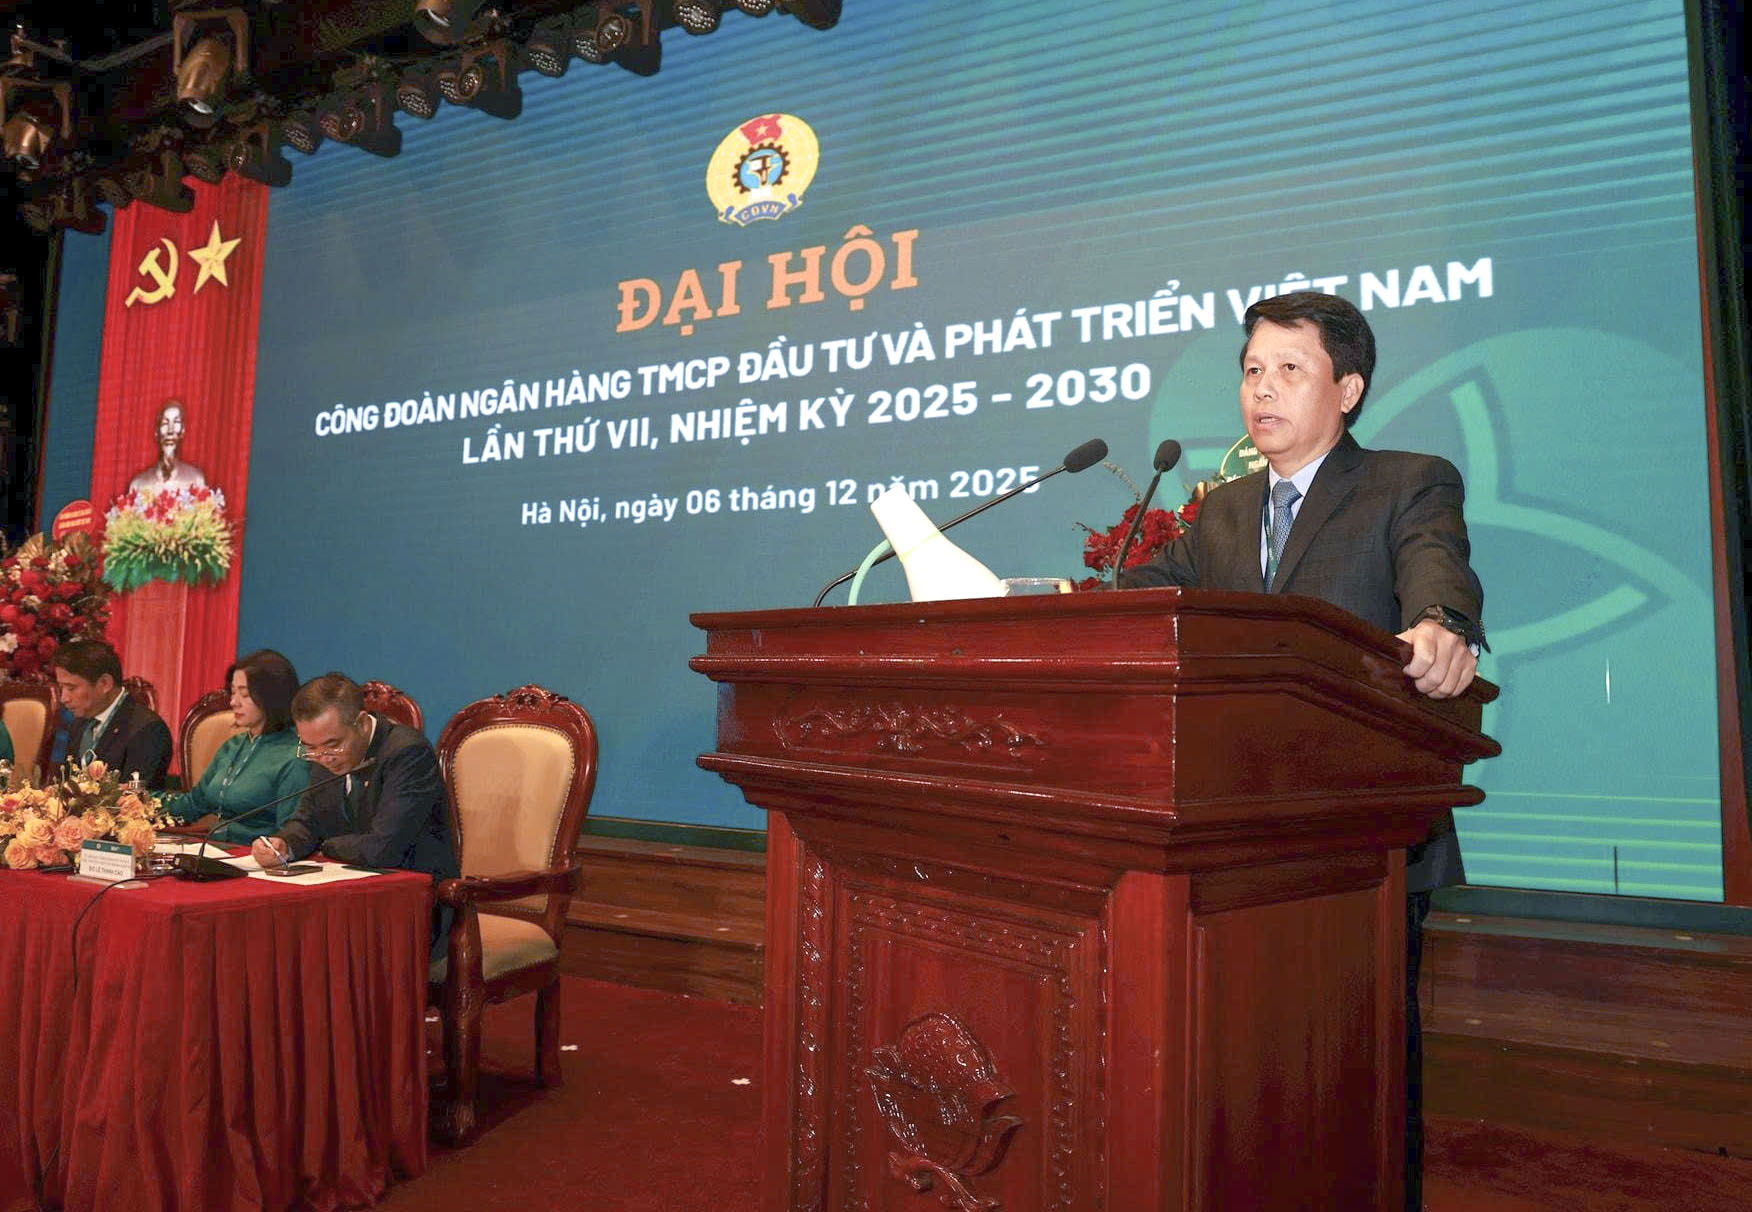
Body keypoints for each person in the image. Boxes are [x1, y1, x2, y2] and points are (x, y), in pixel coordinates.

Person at [1123, 289, 1486, 1212]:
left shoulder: (1408, 481)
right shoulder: (1219, 512)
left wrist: (1441, 624)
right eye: (1253, 370)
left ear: (1348, 389)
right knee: (1247, 1073)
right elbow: (1142, 602)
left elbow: (1436, 566)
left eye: (1290, 369)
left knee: (1360, 1069)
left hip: (1361, 836)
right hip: (1235, 840)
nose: (1263, 389)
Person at [251, 673, 457, 954]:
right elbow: (308, 819)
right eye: (311, 748)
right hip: (350, 901)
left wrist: (325, 846)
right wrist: (284, 845)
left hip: (413, 912)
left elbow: (383, 849)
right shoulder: (325, 752)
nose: (324, 757)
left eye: (332, 744)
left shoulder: (407, 754)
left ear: (360, 722)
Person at [161, 650, 309, 844]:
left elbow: (289, 834)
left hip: (254, 853)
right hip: (213, 847)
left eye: (245, 694)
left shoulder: (294, 757)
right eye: (233, 692)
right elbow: (193, 804)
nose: (233, 702)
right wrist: (139, 800)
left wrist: (223, 832)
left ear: (272, 697)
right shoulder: (233, 745)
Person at [51, 638, 173, 789]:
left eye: (71, 688)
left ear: (105, 683)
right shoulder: (78, 721)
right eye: (61, 688)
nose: (64, 698)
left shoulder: (148, 730)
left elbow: (135, 797)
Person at [127, 400, 207, 496]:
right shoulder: (139, 484)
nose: (170, 430)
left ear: (182, 431)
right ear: (157, 433)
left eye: (176, 422)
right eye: (165, 423)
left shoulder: (196, 480)